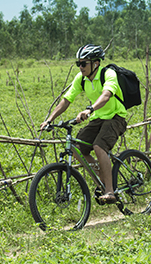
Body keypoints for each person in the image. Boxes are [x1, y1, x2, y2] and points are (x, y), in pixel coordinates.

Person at [40, 44, 127, 203]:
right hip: (98, 117)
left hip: (115, 116)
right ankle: (103, 176)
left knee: (99, 146)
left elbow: (106, 95)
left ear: (96, 63)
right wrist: (49, 120)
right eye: (78, 63)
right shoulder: (81, 79)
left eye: (84, 63)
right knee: (77, 149)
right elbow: (66, 100)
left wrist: (89, 109)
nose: (80, 67)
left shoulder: (108, 74)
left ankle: (110, 190)